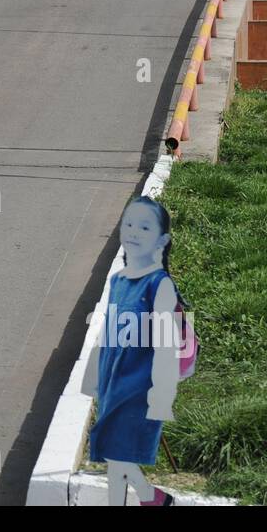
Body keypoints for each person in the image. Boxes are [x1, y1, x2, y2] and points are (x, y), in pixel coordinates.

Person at [82, 196, 183, 506]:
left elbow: (166, 347)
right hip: (114, 384)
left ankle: (148, 497)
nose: (133, 232)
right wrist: (93, 378)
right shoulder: (118, 281)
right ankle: (151, 497)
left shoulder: (159, 286)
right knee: (116, 457)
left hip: (141, 389)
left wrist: (162, 398)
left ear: (162, 240)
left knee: (117, 456)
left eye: (144, 226)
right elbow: (108, 332)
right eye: (128, 224)